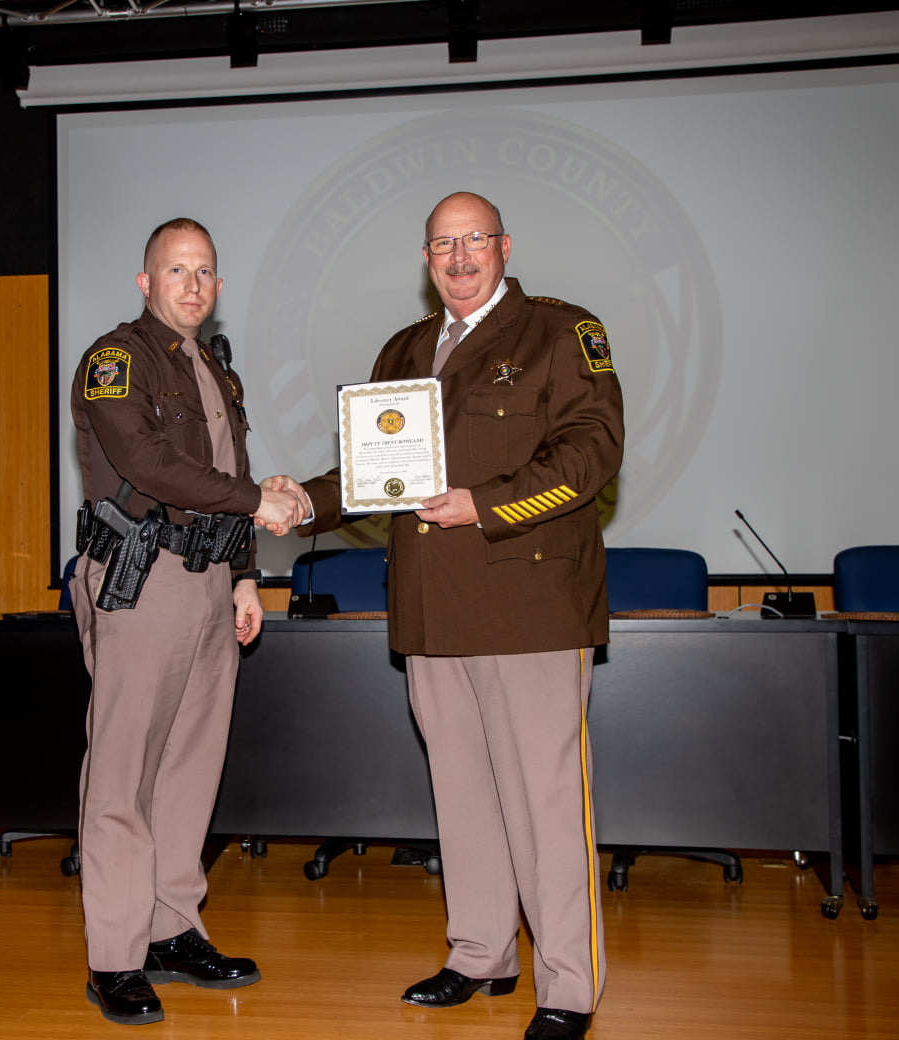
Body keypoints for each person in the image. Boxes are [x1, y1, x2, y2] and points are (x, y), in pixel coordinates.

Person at [277, 192, 624, 1040]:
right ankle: (480, 956)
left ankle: (568, 986)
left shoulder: (563, 330)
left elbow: (591, 453)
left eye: (473, 240)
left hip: (528, 605)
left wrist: (487, 504)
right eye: (443, 243)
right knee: (461, 794)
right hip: (431, 608)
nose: (459, 256)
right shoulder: (404, 347)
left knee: (545, 801)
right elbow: (373, 475)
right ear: (426, 258)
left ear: (505, 245)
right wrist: (300, 503)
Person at [67, 217, 305, 1025]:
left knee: (190, 771)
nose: (193, 285)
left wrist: (243, 576)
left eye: (204, 271)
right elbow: (148, 464)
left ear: (218, 285)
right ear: (147, 282)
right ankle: (115, 956)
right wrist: (256, 502)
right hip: (141, 578)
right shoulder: (113, 360)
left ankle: (172, 929)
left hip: (208, 585)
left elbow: (224, 474)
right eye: (177, 271)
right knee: (123, 773)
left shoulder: (217, 374)